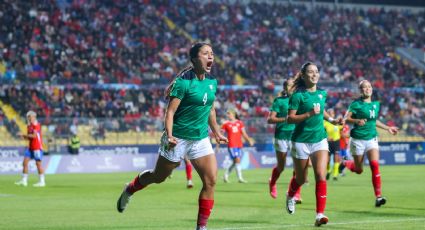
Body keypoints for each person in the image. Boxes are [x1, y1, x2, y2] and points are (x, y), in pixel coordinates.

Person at [116, 43, 228, 230]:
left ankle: (201, 227)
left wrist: (216, 131)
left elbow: (209, 107)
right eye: (205, 53)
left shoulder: (212, 82)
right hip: (178, 138)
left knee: (211, 181)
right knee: (158, 177)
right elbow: (169, 112)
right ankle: (130, 188)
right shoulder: (183, 82)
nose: (210, 57)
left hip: (200, 139)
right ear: (194, 59)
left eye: (212, 54)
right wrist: (169, 136)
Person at [285, 62, 343, 227]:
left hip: (319, 140)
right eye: (310, 72)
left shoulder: (322, 93)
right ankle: (290, 196)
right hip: (300, 141)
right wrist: (309, 114)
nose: (314, 74)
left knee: (320, 175)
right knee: (302, 179)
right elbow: (290, 118)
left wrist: (332, 120)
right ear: (303, 76)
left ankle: (319, 215)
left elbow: (321, 110)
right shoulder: (297, 96)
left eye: (316, 71)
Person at [339, 80, 398, 207]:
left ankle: (378, 197)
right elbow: (346, 119)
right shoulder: (355, 104)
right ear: (361, 91)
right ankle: (346, 163)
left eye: (369, 87)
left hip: (372, 138)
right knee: (359, 170)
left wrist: (388, 128)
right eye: (364, 87)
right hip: (358, 140)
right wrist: (356, 120)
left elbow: (374, 121)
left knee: (374, 165)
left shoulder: (376, 104)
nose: (367, 89)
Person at [267, 78, 302, 202]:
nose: (291, 87)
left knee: (298, 167)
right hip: (281, 135)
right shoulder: (279, 101)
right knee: (281, 167)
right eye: (289, 85)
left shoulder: (299, 99)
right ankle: (272, 182)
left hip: (296, 135)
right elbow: (270, 119)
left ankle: (296, 193)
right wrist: (285, 119)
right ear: (285, 88)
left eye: (293, 85)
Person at [221, 109, 254, 183]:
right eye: (227, 114)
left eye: (229, 114)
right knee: (237, 160)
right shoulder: (225, 124)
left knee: (235, 161)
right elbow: (221, 134)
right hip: (232, 145)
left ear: (234, 114)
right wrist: (220, 141)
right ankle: (240, 178)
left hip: (239, 144)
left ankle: (225, 175)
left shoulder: (240, 123)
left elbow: (244, 133)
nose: (228, 115)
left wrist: (249, 141)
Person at [15, 111, 46, 187]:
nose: (28, 118)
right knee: (24, 163)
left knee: (38, 164)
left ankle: (42, 182)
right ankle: (24, 181)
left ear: (34, 117)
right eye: (28, 116)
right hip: (30, 147)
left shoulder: (37, 125)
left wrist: (23, 134)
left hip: (37, 147)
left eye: (29, 116)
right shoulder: (29, 126)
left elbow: (34, 136)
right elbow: (30, 137)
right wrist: (23, 137)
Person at [324, 109, 342, 181]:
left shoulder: (337, 122)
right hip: (328, 142)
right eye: (330, 113)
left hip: (336, 142)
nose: (331, 114)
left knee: (336, 158)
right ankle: (328, 171)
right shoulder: (324, 123)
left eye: (332, 113)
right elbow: (321, 131)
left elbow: (342, 127)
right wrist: (326, 138)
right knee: (327, 160)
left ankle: (335, 175)